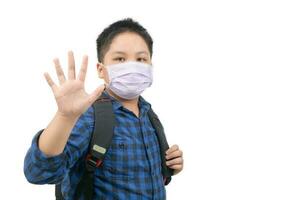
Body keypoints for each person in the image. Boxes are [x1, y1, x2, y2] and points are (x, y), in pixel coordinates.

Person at [24, 18, 184, 200]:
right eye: (120, 59)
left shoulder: (149, 115)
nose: (132, 66)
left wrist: (170, 167)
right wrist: (65, 117)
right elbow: (38, 173)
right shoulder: (90, 117)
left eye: (141, 59)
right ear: (101, 70)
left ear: (150, 66)